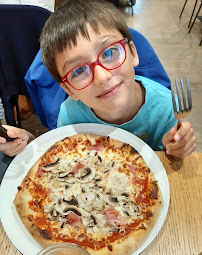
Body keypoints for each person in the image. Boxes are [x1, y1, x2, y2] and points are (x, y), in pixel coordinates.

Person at [0, 0, 196, 158]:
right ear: (68, 90)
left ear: (133, 52)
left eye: (110, 53)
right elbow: (66, 158)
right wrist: (30, 142)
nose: (101, 77)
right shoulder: (69, 117)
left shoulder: (167, 109)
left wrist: (177, 149)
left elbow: (171, 163)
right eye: (78, 71)